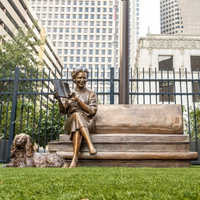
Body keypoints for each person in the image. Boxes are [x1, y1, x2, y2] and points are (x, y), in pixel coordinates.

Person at [54, 66, 97, 168]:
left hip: (87, 122)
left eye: (84, 78)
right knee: (76, 116)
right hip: (70, 121)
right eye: (79, 78)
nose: (82, 80)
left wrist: (78, 100)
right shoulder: (67, 93)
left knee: (77, 125)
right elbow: (63, 111)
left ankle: (74, 159)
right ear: (74, 79)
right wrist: (59, 100)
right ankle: (90, 145)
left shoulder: (91, 94)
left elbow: (92, 112)